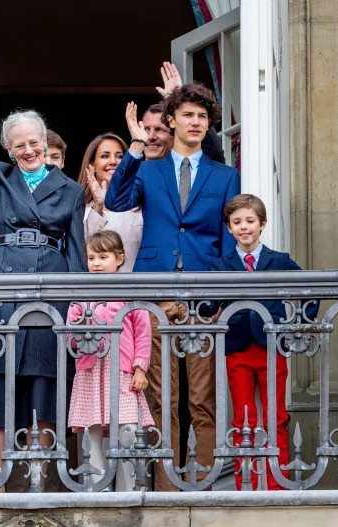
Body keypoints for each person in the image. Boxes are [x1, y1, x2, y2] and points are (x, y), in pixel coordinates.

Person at [105, 83, 240, 489]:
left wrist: (218, 294)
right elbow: (115, 201)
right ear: (171, 121)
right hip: (155, 291)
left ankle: (203, 481)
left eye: (202, 117)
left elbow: (228, 238)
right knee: (160, 396)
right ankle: (166, 486)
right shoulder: (148, 169)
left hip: (203, 296)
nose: (195, 122)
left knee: (202, 398)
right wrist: (133, 144)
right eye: (187, 115)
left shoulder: (225, 175)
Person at [0, 57, 86, 491]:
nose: (28, 151)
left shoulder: (70, 189)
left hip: (51, 289)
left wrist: (78, 308)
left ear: (45, 143)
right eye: (19, 146)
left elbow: (78, 253)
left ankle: (42, 481)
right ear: (8, 149)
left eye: (34, 143)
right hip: (2, 287)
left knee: (45, 381)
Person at [208, 194, 317, 490]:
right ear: (229, 228)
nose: (244, 227)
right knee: (245, 417)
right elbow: (207, 303)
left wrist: (300, 324)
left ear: (262, 224)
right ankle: (249, 483)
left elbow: (309, 290)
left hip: (272, 348)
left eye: (250, 221)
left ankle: (276, 481)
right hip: (237, 349)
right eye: (237, 222)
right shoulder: (221, 265)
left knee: (275, 415)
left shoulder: (279, 260)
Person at [67, 231, 153, 491]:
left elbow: (143, 331)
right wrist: (79, 328)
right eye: (92, 257)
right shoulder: (82, 295)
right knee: (92, 431)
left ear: (119, 258)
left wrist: (140, 368)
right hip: (90, 372)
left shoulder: (128, 291)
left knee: (127, 429)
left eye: (103, 257)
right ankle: (98, 488)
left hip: (122, 372)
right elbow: (71, 335)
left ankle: (127, 487)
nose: (96, 263)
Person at [79, 133, 143, 271]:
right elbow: (81, 252)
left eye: (120, 156)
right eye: (105, 156)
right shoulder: (81, 211)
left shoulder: (142, 208)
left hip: (137, 290)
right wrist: (98, 205)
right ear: (92, 165)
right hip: (96, 290)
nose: (113, 161)